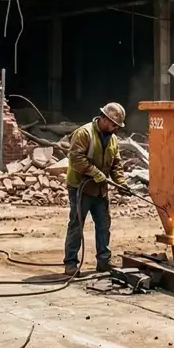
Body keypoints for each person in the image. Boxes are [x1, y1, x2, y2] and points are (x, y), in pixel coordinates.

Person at [64, 102, 127, 277]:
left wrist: (121, 182)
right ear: (104, 118)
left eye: (117, 126)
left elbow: (116, 164)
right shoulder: (84, 133)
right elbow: (75, 158)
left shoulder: (112, 139)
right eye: (113, 124)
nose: (115, 128)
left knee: (104, 225)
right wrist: (93, 172)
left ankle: (103, 261)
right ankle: (71, 263)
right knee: (76, 226)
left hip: (100, 190)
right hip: (80, 188)